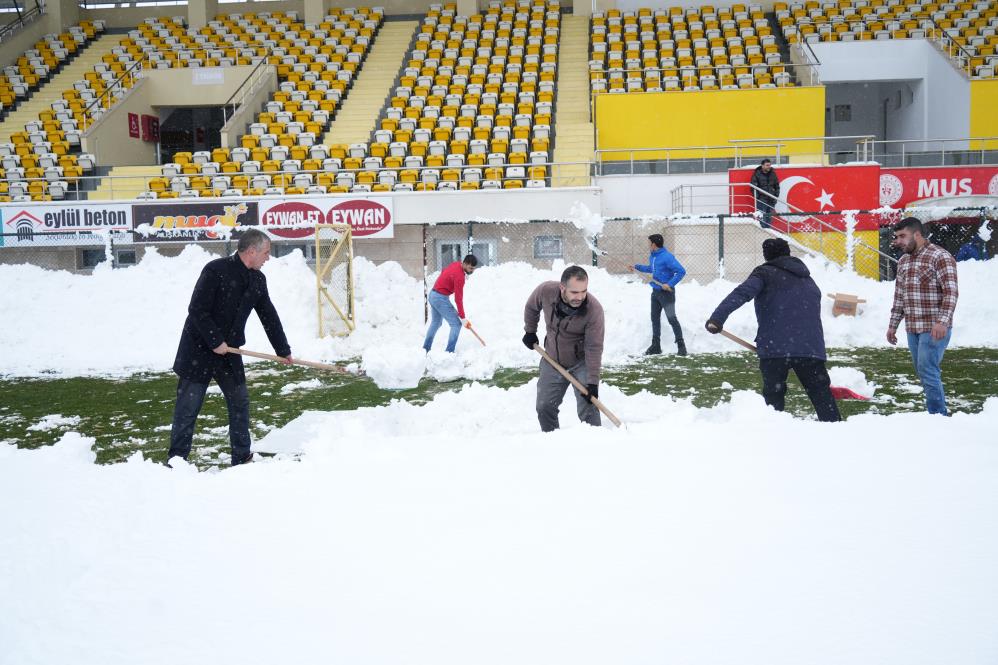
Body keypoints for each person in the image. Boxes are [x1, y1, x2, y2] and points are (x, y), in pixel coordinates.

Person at [169, 229, 292, 466]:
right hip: (198, 350)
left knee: (239, 402)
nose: (268, 258)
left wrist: (282, 349)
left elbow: (269, 315)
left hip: (230, 352)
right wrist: (215, 341)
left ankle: (242, 456)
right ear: (252, 251)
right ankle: (177, 460)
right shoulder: (216, 270)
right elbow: (197, 309)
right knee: (188, 408)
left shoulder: (257, 279)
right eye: (266, 253)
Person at [705, 238, 841, 422]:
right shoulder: (807, 279)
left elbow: (741, 293)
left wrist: (717, 318)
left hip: (775, 347)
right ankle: (836, 431)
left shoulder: (764, 274)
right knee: (821, 395)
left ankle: (774, 432)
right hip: (810, 347)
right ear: (787, 253)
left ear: (766, 255)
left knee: (773, 396)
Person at [886, 217, 959, 415]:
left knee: (927, 371)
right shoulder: (903, 261)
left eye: (903, 236)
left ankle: (938, 417)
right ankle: (937, 414)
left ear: (917, 234)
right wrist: (893, 325)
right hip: (913, 327)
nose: (898, 241)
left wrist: (942, 322)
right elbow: (900, 296)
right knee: (923, 372)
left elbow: (951, 292)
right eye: (896, 237)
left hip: (934, 327)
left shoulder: (940, 256)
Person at [522, 265, 605, 432]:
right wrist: (530, 331)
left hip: (581, 362)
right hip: (552, 358)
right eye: (574, 292)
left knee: (588, 406)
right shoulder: (546, 291)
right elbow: (532, 306)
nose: (580, 297)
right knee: (544, 406)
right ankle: (553, 442)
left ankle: (595, 443)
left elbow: (594, 347)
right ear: (562, 288)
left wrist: (592, 382)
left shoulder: (593, 310)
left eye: (584, 291)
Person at [631, 233, 687, 356]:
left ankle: (681, 346)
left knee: (672, 319)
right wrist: (636, 267)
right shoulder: (653, 256)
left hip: (666, 293)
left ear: (654, 244)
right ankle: (656, 346)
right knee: (654, 319)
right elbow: (651, 269)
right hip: (656, 292)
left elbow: (681, 271)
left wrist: (670, 284)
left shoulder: (667, 257)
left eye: (649, 243)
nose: (648, 245)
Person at [423, 254, 478, 353]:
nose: (472, 271)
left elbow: (444, 271)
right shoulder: (460, 277)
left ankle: (425, 349)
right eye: (470, 268)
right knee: (456, 324)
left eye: (473, 269)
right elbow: (458, 299)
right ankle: (449, 352)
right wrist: (462, 317)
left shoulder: (456, 264)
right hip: (440, 298)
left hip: (433, 294)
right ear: (465, 264)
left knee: (436, 323)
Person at [750, 158, 780, 229]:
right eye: (767, 165)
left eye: (769, 165)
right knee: (761, 215)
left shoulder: (773, 173)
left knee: (769, 216)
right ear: (762, 166)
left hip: (771, 199)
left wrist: (775, 196)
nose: (769, 167)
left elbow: (777, 186)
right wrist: (758, 197)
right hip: (762, 199)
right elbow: (753, 187)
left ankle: (768, 230)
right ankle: (762, 230)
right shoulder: (757, 174)